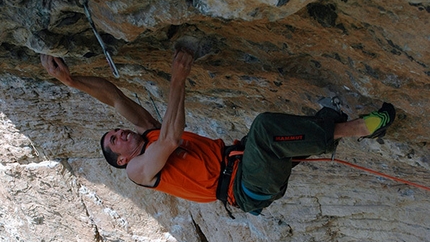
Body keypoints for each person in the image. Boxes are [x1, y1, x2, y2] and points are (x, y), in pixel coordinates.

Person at [41, 52, 395, 215]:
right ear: (121, 159)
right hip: (245, 187)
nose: (119, 133)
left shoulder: (146, 135)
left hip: (244, 166)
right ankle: (360, 128)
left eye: (116, 131)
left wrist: (71, 80)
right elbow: (172, 140)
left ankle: (334, 125)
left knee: (294, 133)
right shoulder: (138, 170)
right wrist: (177, 80)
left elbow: (115, 97)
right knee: (265, 129)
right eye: (114, 140)